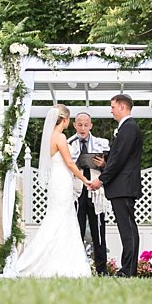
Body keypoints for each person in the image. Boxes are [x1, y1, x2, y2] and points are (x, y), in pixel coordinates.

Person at [5, 105, 95, 278]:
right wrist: (85, 180)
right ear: (66, 120)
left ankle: (56, 260)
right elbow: (69, 163)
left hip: (57, 180)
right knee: (60, 219)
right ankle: (50, 261)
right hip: (61, 180)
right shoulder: (60, 137)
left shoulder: (49, 137)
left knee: (59, 218)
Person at [89, 94, 144, 277]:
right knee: (127, 229)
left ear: (122, 107)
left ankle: (128, 270)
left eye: (113, 106)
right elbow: (121, 157)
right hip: (122, 186)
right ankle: (128, 269)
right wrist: (105, 163)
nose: (111, 110)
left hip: (124, 186)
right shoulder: (126, 128)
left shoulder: (129, 128)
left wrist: (102, 179)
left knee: (127, 229)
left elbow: (120, 159)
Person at [68, 112, 110, 273]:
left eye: (86, 125)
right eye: (80, 124)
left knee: (98, 230)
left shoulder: (101, 143)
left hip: (95, 190)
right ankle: (76, 268)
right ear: (74, 125)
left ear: (91, 125)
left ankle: (102, 269)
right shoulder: (69, 143)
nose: (83, 128)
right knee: (76, 229)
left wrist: (103, 164)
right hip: (77, 192)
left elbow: (111, 166)